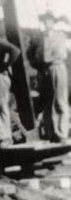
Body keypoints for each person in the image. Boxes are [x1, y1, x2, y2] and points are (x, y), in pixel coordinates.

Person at [34, 11, 69, 142]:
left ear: (54, 22)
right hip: (44, 71)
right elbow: (29, 52)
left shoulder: (61, 35)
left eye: (49, 20)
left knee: (60, 100)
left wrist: (67, 22)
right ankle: (50, 134)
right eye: (45, 20)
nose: (47, 23)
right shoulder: (39, 37)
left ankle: (61, 134)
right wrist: (36, 65)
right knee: (48, 102)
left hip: (58, 67)